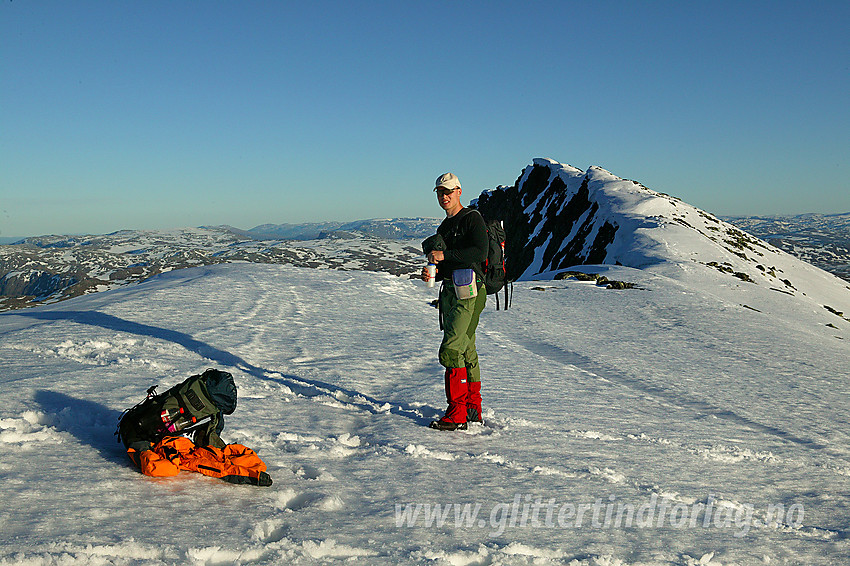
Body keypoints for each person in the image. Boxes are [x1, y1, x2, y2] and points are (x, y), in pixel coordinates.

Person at [421, 173, 488, 431]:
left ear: (459, 191)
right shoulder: (444, 227)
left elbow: (479, 253)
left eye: (448, 191)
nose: (444, 196)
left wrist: (445, 254)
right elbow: (448, 260)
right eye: (439, 192)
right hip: (451, 290)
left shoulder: (472, 219)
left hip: (469, 291)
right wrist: (433, 269)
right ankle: (472, 407)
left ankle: (457, 413)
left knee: (451, 349)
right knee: (466, 347)